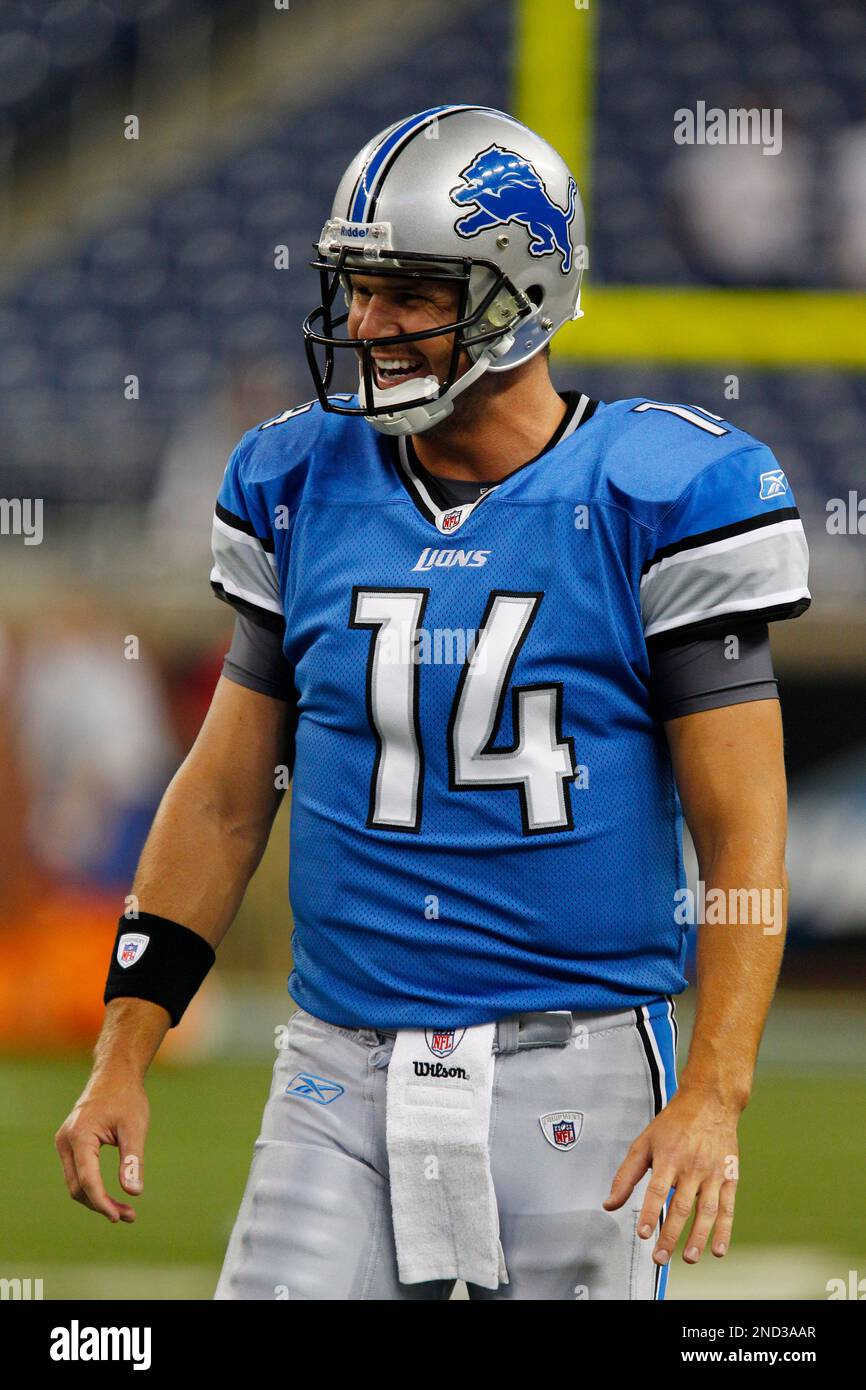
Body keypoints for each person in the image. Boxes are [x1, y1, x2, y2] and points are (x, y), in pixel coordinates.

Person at [56, 105, 811, 1301]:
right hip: (334, 1070)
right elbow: (221, 798)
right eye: (356, 286)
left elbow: (740, 829)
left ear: (521, 292)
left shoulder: (665, 489)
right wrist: (124, 1045)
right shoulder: (295, 478)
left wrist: (712, 1088)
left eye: (409, 290)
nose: (366, 323)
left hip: (580, 1069)